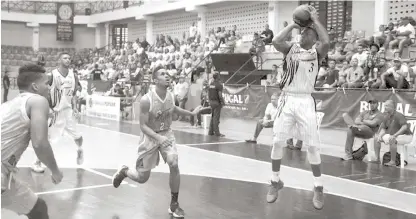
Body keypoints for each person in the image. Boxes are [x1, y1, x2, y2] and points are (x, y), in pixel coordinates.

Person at [112, 66, 199, 218]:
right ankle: (124, 171)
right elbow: (142, 126)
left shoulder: (171, 96)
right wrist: (158, 138)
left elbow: (174, 109)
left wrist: (191, 113)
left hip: (167, 133)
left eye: (168, 73)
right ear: (155, 80)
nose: (167, 76)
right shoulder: (146, 100)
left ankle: (174, 204)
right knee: (142, 178)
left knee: (174, 162)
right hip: (150, 138)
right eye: (163, 74)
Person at [268, 6, 330, 210]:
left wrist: (313, 20)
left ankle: (318, 186)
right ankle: (275, 180)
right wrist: (295, 24)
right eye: (302, 32)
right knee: (277, 141)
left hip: (305, 100)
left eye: (308, 33)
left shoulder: (317, 52)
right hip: (287, 98)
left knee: (312, 146)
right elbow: (275, 41)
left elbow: (327, 41)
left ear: (314, 39)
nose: (303, 35)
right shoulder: (290, 49)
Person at [1, 64, 63, 219]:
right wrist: (55, 171)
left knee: (38, 209)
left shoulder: (7, 105)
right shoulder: (38, 101)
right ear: (35, 86)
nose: (49, 88)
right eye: (46, 84)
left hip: (5, 171)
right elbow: (40, 144)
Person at [32, 52, 84, 173]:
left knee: (78, 136)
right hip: (56, 112)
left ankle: (80, 150)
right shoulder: (53, 75)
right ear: (59, 60)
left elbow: (74, 94)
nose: (68, 60)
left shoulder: (73, 75)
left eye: (69, 58)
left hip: (69, 111)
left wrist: (76, 108)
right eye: (65, 58)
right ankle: (36, 162)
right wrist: (47, 108)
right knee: (48, 139)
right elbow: (43, 90)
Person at [377, 100, 413, 166]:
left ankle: (393, 161)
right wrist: (380, 135)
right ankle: (377, 159)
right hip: (395, 135)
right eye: (384, 105)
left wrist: (395, 135)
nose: (384, 107)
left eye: (386, 106)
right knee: (377, 138)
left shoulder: (399, 115)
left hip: (406, 136)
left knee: (392, 139)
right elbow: (383, 128)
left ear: (392, 107)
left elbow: (404, 127)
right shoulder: (386, 116)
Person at [208, 72, 225, 137]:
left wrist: (209, 101)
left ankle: (210, 131)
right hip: (217, 102)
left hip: (211, 101)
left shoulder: (211, 84)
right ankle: (217, 133)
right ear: (218, 77)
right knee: (216, 118)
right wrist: (222, 102)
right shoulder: (219, 85)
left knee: (212, 117)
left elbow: (208, 93)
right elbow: (220, 95)